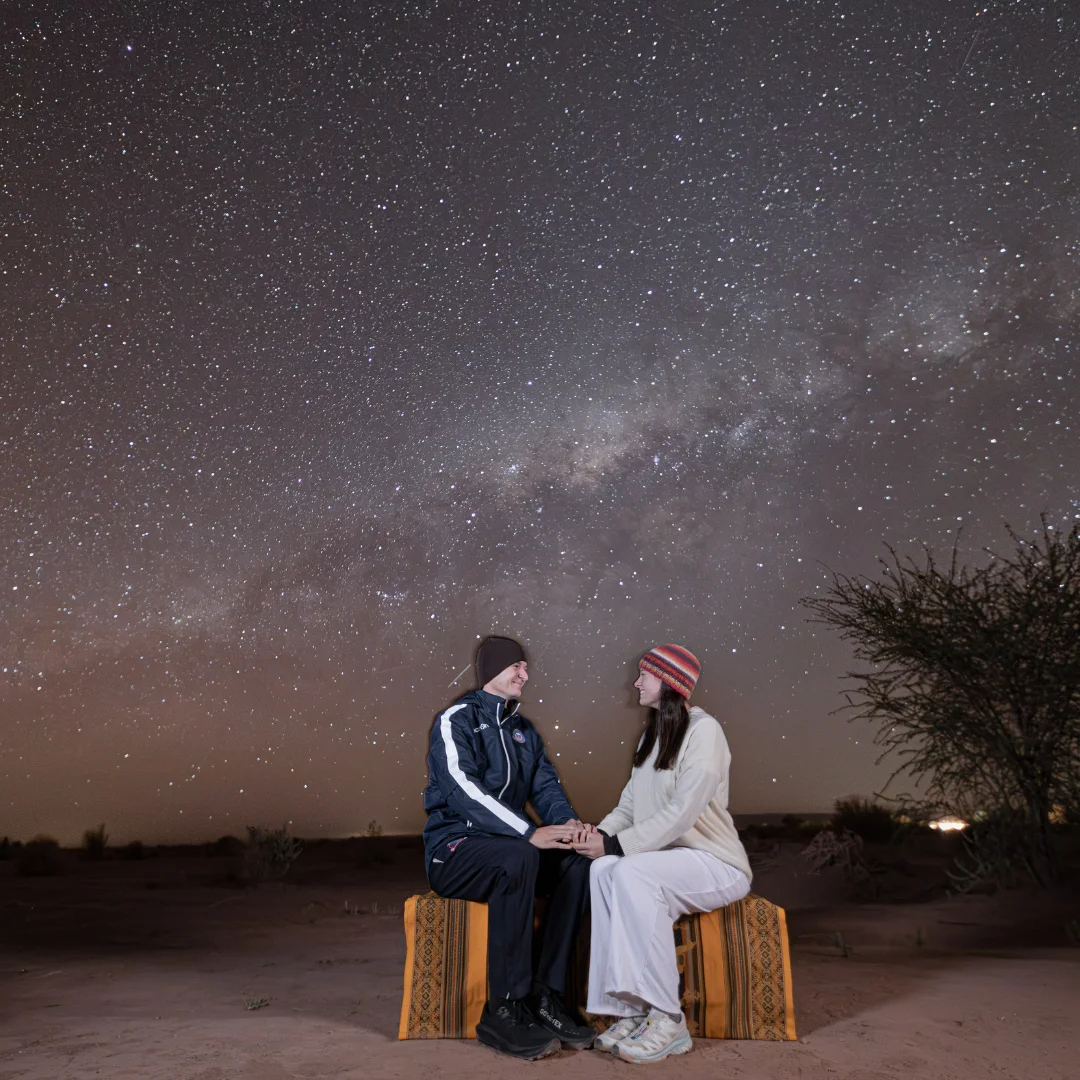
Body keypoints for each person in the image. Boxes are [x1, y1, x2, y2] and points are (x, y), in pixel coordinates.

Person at [570, 644, 752, 1063]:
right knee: (603, 870)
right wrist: (596, 837)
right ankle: (632, 1011)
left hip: (714, 862)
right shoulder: (652, 735)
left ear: (668, 682)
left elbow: (682, 813)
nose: (635, 682)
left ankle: (668, 1019)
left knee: (631, 872)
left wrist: (616, 845)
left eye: (644, 675)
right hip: (666, 860)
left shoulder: (705, 731)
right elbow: (630, 806)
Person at [422, 635, 597, 1060]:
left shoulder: (523, 731)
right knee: (521, 855)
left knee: (576, 863)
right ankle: (502, 1010)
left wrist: (568, 826)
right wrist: (526, 831)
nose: (525, 674)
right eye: (516, 666)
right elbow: (462, 789)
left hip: (510, 847)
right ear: (491, 671)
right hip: (456, 849)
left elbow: (546, 786)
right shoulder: (456, 719)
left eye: (525, 667)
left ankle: (544, 997)